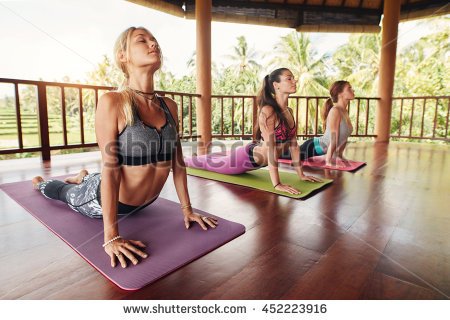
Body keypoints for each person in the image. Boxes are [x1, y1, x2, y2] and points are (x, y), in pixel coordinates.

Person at [31, 26, 218, 269]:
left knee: (92, 178)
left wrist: (187, 210)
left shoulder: (169, 106)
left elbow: (178, 164)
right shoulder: (113, 102)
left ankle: (83, 176)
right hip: (102, 201)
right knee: (63, 193)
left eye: (154, 40)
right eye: (142, 40)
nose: (153, 44)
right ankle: (45, 183)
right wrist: (111, 237)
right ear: (123, 56)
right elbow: (111, 171)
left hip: (145, 203)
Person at [184, 68, 322, 195]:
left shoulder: (289, 111)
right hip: (245, 160)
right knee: (209, 165)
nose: (294, 81)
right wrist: (277, 184)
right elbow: (271, 149)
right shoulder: (268, 111)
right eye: (289, 78)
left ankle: (197, 157)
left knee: (217, 158)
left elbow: (294, 145)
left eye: (293, 78)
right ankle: (186, 161)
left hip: (255, 154)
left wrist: (301, 175)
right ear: (276, 85)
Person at [296, 80, 354, 167]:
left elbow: (344, 136)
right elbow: (334, 138)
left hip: (320, 147)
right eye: (349, 88)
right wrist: (328, 161)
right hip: (313, 146)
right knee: (285, 155)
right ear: (340, 94)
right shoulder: (335, 111)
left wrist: (340, 156)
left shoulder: (344, 111)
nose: (353, 90)